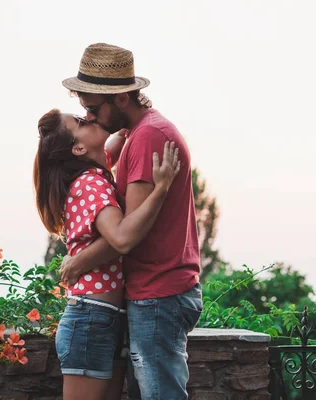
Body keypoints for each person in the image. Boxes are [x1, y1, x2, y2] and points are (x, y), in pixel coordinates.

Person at [60, 43, 203, 399]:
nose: (89, 117)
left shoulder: (148, 137)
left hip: (159, 291)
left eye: (92, 109)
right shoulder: (138, 134)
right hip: (157, 291)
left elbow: (128, 235)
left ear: (121, 98)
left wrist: (78, 262)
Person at [33, 108, 180, 400]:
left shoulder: (95, 169)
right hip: (91, 317)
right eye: (81, 122)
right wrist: (161, 189)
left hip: (105, 317)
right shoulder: (90, 184)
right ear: (78, 147)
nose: (89, 117)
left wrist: (121, 120)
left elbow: (111, 145)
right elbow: (123, 238)